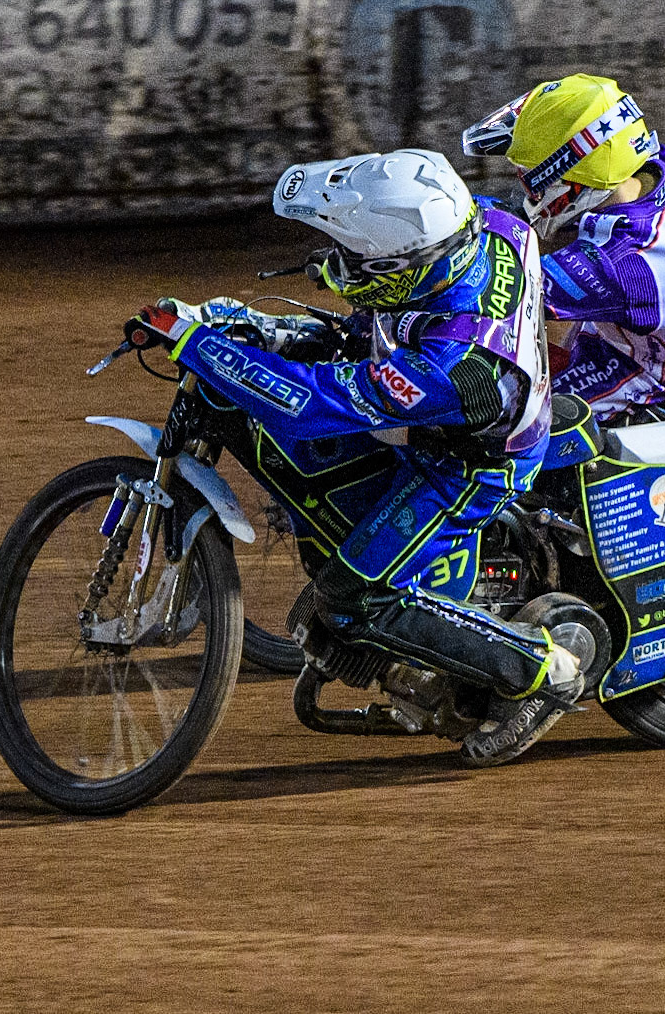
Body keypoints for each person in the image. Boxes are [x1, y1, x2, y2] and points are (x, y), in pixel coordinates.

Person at [131, 149, 579, 765]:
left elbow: (308, 402)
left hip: (465, 466)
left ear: (400, 269)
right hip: (439, 392)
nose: (342, 267)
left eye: (357, 260)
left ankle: (541, 672)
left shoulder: (455, 365)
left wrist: (200, 345)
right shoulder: (487, 223)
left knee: (353, 597)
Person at [462, 73, 665, 421]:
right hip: (658, 325)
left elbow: (503, 289)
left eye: (530, 176)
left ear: (578, 170)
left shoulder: (619, 263)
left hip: (642, 368)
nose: (528, 190)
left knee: (510, 421)